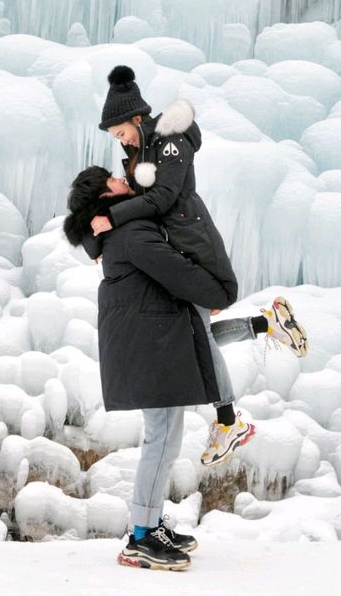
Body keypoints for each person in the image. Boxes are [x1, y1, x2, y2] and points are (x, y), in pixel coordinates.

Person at [63, 166, 307, 569]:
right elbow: (174, 270)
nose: (125, 180)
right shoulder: (131, 234)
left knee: (167, 437)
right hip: (149, 349)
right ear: (105, 197)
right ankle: (140, 535)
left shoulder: (122, 231)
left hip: (156, 340)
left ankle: (151, 522)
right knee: (160, 439)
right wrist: (219, 292)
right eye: (114, 180)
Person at [91, 65, 308, 465]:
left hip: (191, 244)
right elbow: (131, 207)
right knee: (192, 331)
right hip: (170, 247)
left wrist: (114, 220)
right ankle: (267, 325)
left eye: (120, 132)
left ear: (136, 117)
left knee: (196, 333)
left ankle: (228, 419)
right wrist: (98, 240)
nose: (119, 141)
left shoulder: (171, 139)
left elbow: (164, 199)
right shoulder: (140, 151)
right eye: (115, 138)